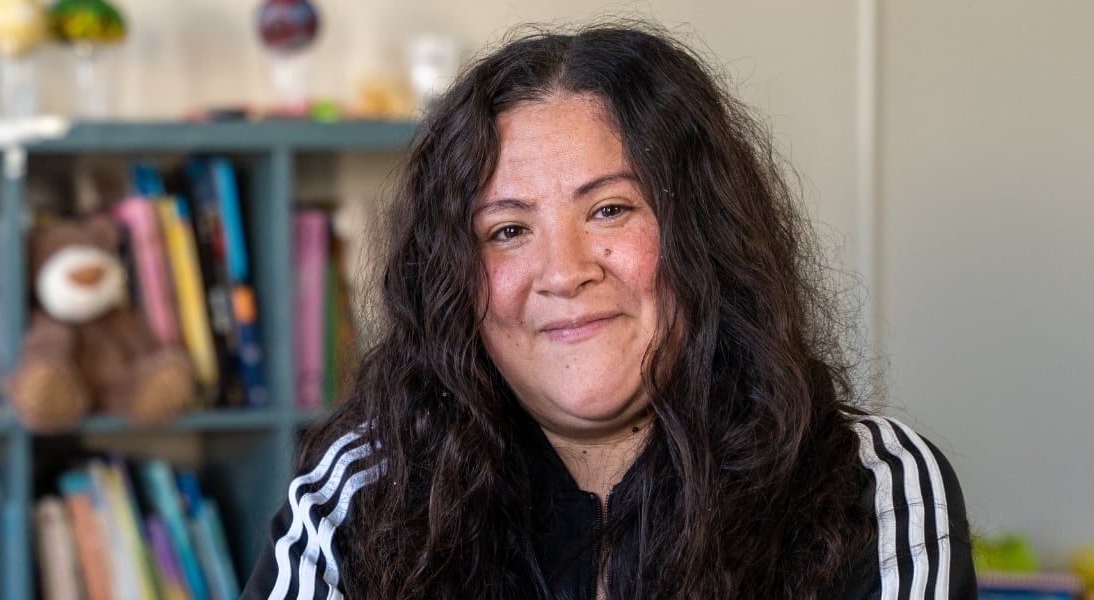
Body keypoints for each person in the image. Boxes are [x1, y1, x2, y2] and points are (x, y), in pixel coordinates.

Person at [242, 23, 974, 600]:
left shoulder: (873, 485)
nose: (564, 272)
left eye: (610, 209)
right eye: (507, 230)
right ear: (452, 282)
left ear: (704, 237)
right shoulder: (362, 491)